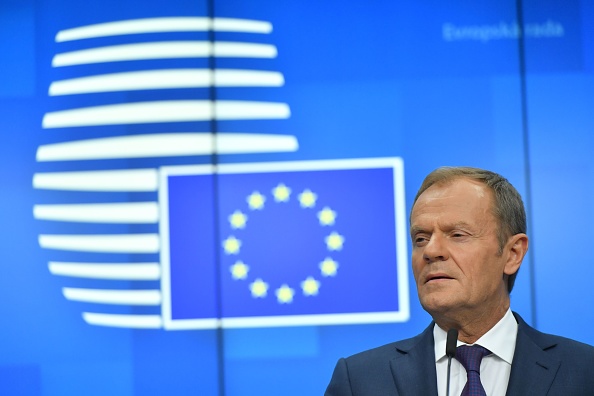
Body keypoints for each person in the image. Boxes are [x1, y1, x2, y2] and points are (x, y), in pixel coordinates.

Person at [325, 166, 594, 395]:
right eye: (421, 238)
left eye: (457, 235)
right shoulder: (360, 381)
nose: (430, 251)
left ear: (512, 254)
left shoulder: (584, 371)